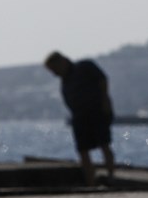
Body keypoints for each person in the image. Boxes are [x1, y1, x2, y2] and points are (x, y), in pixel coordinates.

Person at [44, 51, 116, 184]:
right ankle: (91, 182)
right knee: (83, 150)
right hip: (79, 117)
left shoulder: (85, 66)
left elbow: (102, 79)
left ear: (62, 62)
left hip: (97, 112)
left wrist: (105, 101)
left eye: (55, 69)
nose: (55, 74)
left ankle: (111, 176)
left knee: (104, 144)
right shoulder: (65, 81)